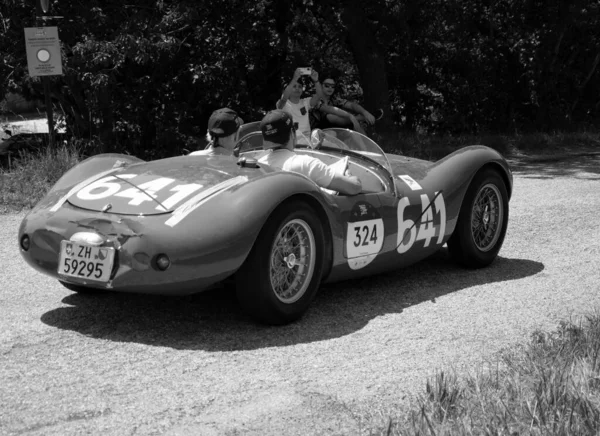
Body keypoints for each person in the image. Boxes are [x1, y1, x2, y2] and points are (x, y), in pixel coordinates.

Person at [258, 110, 362, 196]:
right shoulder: (305, 164)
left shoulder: (259, 165)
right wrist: (349, 174)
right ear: (292, 133)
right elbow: (353, 188)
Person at [276, 68, 362, 144]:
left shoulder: (306, 102)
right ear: (288, 89)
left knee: (332, 133)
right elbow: (283, 98)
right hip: (292, 142)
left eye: (300, 86)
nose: (297, 88)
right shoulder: (284, 104)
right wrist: (295, 78)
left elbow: (319, 95)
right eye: (294, 86)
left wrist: (316, 81)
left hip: (307, 142)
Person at [311, 74, 383, 132]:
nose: (330, 88)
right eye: (327, 85)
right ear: (320, 86)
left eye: (332, 86)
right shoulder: (315, 98)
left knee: (354, 124)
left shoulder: (335, 99)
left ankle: (366, 148)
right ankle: (361, 118)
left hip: (335, 128)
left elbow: (352, 105)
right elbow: (329, 109)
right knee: (330, 116)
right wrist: (351, 116)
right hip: (317, 130)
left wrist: (365, 112)